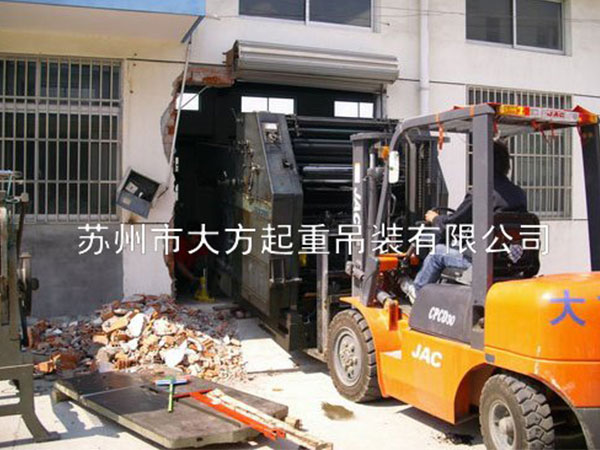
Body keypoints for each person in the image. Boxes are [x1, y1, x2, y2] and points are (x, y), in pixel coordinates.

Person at [402, 140, 528, 303]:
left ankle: (417, 293)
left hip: (483, 262)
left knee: (437, 252)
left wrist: (435, 218)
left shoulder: (481, 192)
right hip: (509, 261)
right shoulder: (519, 194)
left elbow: (451, 225)